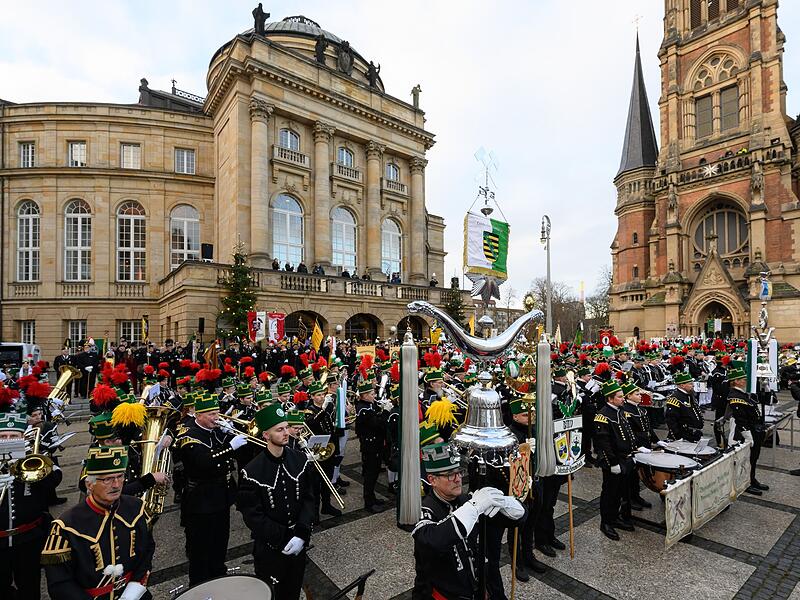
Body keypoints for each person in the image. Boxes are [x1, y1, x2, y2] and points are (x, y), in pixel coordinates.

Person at [412, 442, 524, 600]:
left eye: (459, 472)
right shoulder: (424, 510)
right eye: (450, 475)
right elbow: (433, 540)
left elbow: (519, 518)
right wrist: (475, 507)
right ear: (432, 480)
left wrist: (505, 503)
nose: (458, 479)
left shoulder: (467, 500)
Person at [42, 446, 155, 600]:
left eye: (120, 476)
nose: (116, 485)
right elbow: (60, 584)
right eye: (107, 479)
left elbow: (147, 550)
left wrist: (134, 588)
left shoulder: (137, 508)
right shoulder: (65, 525)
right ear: (90, 484)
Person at [237, 404, 315, 600]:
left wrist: (302, 533)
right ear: (266, 435)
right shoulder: (251, 471)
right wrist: (284, 537)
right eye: (279, 429)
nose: (286, 433)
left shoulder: (300, 459)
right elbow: (253, 516)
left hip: (298, 542)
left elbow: (308, 498)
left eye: (286, 427)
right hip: (270, 548)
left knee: (293, 590)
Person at [177, 393, 247, 586]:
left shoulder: (215, 430)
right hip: (201, 500)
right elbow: (203, 462)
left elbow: (242, 451)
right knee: (200, 548)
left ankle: (218, 575)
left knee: (220, 541)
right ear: (198, 415)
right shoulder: (188, 435)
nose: (216, 417)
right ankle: (199, 584)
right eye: (211, 414)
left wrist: (231, 432)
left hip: (222, 495)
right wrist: (230, 447)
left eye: (217, 412)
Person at [1, 410, 62, 600]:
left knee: (30, 588)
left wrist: (27, 464)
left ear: (23, 437)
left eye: (14, 436)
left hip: (29, 539)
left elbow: (55, 479)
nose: (8, 441)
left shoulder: (34, 457)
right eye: (3, 437)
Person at [506, 397, 547, 579]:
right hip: (519, 486)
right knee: (517, 525)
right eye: (525, 414)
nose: (530, 417)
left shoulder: (535, 430)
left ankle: (529, 555)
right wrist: (523, 450)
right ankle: (517, 561)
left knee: (532, 522)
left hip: (536, 482)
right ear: (515, 416)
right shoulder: (510, 436)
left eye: (532, 413)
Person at [593, 379, 636, 541]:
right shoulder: (602, 416)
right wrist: (613, 463)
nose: (623, 399)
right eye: (619, 396)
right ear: (610, 399)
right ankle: (606, 522)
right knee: (609, 493)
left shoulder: (620, 411)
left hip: (625, 458)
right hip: (613, 461)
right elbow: (603, 443)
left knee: (620, 491)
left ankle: (615, 517)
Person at [727, 367, 770, 495]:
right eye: (743, 379)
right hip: (744, 431)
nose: (745, 380)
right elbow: (740, 419)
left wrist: (765, 388)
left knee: (753, 457)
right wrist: (747, 435)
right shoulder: (735, 396)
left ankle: (751, 479)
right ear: (736, 381)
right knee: (745, 459)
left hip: (753, 429)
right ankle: (745, 482)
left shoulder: (742, 393)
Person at [620, 382, 656, 512]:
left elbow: (648, 427)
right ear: (628, 396)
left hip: (645, 444)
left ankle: (636, 496)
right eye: (637, 394)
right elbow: (629, 432)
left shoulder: (640, 409)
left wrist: (657, 440)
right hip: (635, 446)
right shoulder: (625, 411)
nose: (640, 396)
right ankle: (630, 498)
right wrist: (637, 446)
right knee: (631, 474)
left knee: (639, 472)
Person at [354, 377, 388, 513]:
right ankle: (368, 502)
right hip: (370, 445)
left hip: (376, 443)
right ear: (364, 395)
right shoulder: (363, 409)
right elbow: (377, 424)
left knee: (374, 473)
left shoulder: (369, 405)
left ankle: (372, 497)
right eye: (372, 394)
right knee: (370, 474)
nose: (374, 396)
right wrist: (385, 412)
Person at [665, 372, 704, 442]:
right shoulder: (675, 399)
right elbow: (671, 421)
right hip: (684, 436)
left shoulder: (690, 395)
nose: (693, 385)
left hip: (693, 434)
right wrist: (678, 437)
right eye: (690, 384)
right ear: (682, 385)